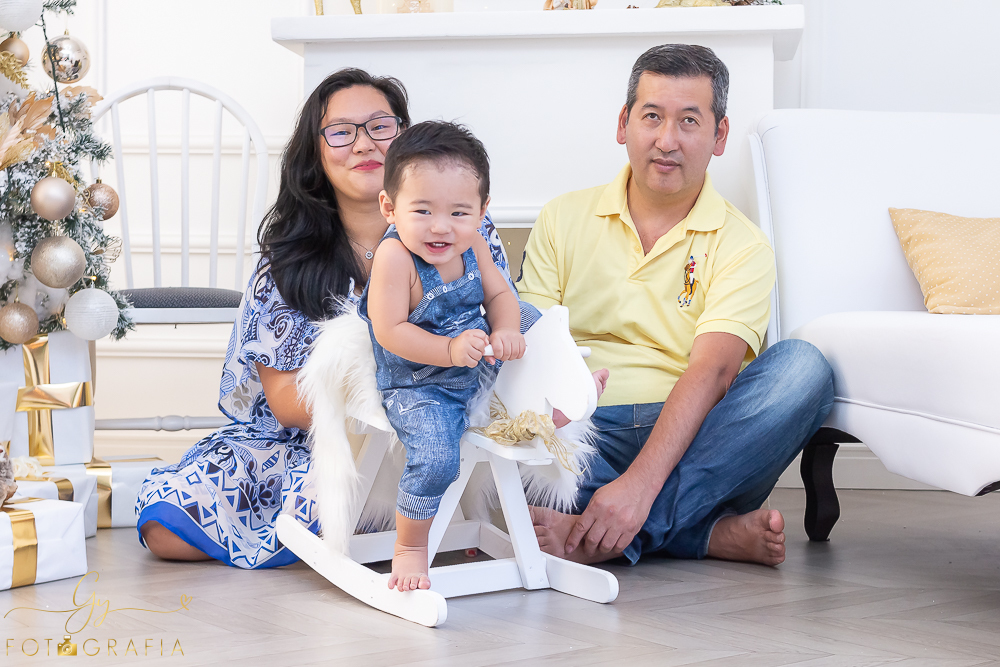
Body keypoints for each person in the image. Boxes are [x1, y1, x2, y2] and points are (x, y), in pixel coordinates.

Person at [134, 69, 515, 569]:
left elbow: (501, 312)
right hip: (322, 435)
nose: (363, 143)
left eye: (380, 126)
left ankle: (403, 513)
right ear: (316, 151)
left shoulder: (463, 229)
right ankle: (347, 519)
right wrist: (384, 400)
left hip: (445, 408)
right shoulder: (289, 259)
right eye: (340, 131)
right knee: (168, 529)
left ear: (404, 137)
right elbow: (287, 403)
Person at [520, 44, 835, 567]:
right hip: (585, 431)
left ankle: (610, 531)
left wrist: (639, 486)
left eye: (689, 121)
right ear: (623, 124)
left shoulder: (743, 245)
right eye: (651, 117)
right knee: (501, 455)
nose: (667, 141)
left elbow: (714, 372)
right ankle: (701, 533)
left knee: (804, 370)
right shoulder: (562, 217)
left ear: (719, 135)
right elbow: (533, 344)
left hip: (697, 437)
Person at [360, 121, 529, 591]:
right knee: (436, 457)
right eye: (422, 210)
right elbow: (390, 331)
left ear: (482, 211)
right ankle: (410, 547)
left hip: (476, 357)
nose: (441, 226)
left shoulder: (474, 243)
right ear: (390, 208)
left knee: (534, 318)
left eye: (458, 212)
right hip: (419, 384)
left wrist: (506, 328)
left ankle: (559, 392)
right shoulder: (395, 258)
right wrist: (449, 350)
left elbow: (500, 294)